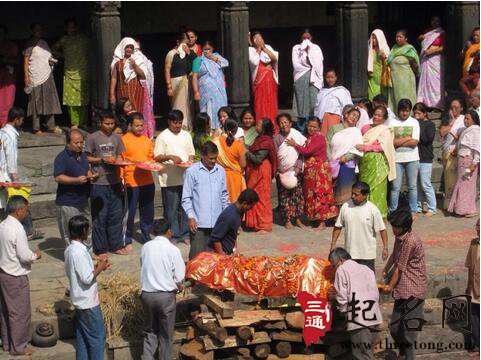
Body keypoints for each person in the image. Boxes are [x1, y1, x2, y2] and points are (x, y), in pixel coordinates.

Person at [382, 208, 427, 360]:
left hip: (414, 290)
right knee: (394, 328)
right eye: (393, 226)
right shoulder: (399, 237)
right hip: (402, 289)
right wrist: (384, 270)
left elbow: (400, 268)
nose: (393, 229)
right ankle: (402, 353)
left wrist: (390, 286)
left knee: (409, 334)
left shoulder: (410, 241)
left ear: (405, 226)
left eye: (396, 226)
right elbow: (394, 257)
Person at [0, 196, 41, 356]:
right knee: (20, 313)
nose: (27, 212)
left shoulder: (2, 225)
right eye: (26, 209)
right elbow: (24, 256)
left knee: (6, 311)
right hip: (15, 275)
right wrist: (36, 255)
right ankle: (19, 347)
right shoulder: (17, 229)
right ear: (19, 211)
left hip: (3, 273)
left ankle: (8, 343)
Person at [64, 215, 109, 360]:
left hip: (79, 300)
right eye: (87, 229)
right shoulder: (79, 252)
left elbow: (80, 273)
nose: (88, 232)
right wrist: (100, 267)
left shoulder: (70, 249)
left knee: (83, 337)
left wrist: (97, 267)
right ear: (83, 230)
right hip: (88, 302)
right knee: (98, 338)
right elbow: (87, 278)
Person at [140, 219, 185, 360]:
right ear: (169, 232)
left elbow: (143, 266)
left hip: (147, 295)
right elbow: (179, 277)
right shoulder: (173, 249)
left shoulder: (145, 247)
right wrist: (179, 284)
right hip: (165, 298)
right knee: (166, 335)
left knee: (150, 331)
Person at [329, 247, 382, 360]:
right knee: (368, 352)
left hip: (358, 318)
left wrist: (344, 312)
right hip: (374, 315)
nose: (335, 268)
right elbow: (376, 293)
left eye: (334, 265)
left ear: (340, 259)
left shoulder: (342, 269)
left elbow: (342, 295)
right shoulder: (366, 269)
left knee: (362, 355)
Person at [86, 111, 127, 257]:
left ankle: (116, 245)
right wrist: (101, 160)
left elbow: (120, 156)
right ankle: (101, 248)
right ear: (100, 123)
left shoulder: (117, 138)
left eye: (112, 124)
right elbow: (87, 158)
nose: (110, 126)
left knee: (116, 215)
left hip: (115, 181)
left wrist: (118, 161)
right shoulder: (92, 137)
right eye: (106, 123)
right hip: (99, 182)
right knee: (100, 217)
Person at [286, 117, 337, 230]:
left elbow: (307, 151)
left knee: (320, 194)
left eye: (314, 126)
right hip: (311, 172)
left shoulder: (319, 138)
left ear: (319, 128)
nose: (311, 128)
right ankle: (315, 219)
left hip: (319, 171)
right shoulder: (309, 137)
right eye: (310, 126)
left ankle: (322, 222)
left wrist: (295, 144)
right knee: (311, 195)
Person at [182, 141, 229, 259]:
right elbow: (186, 198)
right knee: (197, 257)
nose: (213, 161)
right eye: (211, 158)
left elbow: (224, 195)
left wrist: (228, 217)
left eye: (215, 158)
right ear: (202, 156)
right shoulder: (191, 171)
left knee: (216, 256)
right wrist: (191, 216)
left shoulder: (220, 171)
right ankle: (193, 277)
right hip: (199, 223)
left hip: (218, 222)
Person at [154, 110, 195, 243]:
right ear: (169, 122)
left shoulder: (186, 135)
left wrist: (189, 161)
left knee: (185, 208)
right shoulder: (162, 136)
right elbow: (157, 157)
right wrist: (171, 157)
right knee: (171, 209)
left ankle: (185, 234)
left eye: (179, 122)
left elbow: (191, 153)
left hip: (185, 177)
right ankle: (173, 234)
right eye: (174, 122)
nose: (177, 125)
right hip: (169, 179)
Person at [0, 107, 40, 240]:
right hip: (6, 176)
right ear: (17, 119)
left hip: (3, 174)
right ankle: (28, 232)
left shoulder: (2, 133)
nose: (22, 122)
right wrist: (15, 176)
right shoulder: (10, 136)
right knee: (19, 203)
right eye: (21, 119)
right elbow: (10, 156)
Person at [330, 182, 388, 273]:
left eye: (356, 194)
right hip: (349, 254)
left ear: (365, 195)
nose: (352, 196)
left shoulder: (373, 210)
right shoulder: (345, 207)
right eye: (352, 193)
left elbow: (382, 230)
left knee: (367, 281)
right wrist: (333, 244)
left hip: (367, 255)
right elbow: (338, 226)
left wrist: (385, 247)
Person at [54, 129, 93, 246]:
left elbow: (87, 170)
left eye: (82, 142)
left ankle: (87, 252)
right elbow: (58, 177)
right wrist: (76, 180)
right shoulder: (62, 157)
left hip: (83, 199)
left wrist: (90, 175)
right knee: (71, 232)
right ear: (68, 143)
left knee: (87, 227)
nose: (80, 145)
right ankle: (73, 256)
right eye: (76, 143)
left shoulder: (83, 155)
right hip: (68, 201)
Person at [121, 113, 156, 244]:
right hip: (131, 180)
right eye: (137, 125)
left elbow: (151, 157)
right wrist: (122, 178)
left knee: (148, 210)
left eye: (142, 125)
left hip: (147, 179)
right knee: (130, 211)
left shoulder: (147, 140)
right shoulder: (124, 139)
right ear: (130, 125)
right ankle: (127, 238)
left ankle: (146, 235)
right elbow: (121, 160)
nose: (140, 128)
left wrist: (152, 164)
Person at [357, 105, 396, 218]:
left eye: (379, 115)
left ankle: (378, 216)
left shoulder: (386, 130)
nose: (376, 117)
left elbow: (383, 147)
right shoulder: (365, 128)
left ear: (384, 118)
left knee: (378, 189)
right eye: (375, 114)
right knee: (365, 188)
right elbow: (358, 141)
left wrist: (367, 147)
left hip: (378, 164)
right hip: (365, 163)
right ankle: (364, 215)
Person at [23, 23, 62, 135]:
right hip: (35, 76)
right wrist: (26, 77)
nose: (39, 31)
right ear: (32, 31)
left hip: (47, 75)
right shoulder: (30, 44)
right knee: (36, 102)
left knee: (49, 101)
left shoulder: (44, 43)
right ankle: (36, 128)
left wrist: (51, 61)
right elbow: (26, 62)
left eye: (41, 29)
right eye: (37, 30)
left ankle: (51, 126)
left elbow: (46, 57)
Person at [52, 18, 90, 129]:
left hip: (82, 72)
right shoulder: (64, 40)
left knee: (83, 100)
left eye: (73, 27)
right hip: (69, 73)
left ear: (77, 27)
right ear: (66, 28)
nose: (71, 29)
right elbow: (53, 49)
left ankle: (83, 122)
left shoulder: (84, 39)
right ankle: (74, 123)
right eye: (69, 27)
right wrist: (62, 55)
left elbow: (93, 49)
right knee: (71, 101)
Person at [387, 99, 420, 214]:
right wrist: (407, 138)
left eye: (406, 111)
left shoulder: (414, 122)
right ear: (398, 110)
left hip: (412, 159)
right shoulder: (391, 122)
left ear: (410, 111)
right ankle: (393, 210)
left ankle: (413, 210)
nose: (404, 113)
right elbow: (391, 142)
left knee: (412, 186)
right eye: (402, 111)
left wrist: (398, 141)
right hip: (396, 160)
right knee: (395, 188)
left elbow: (414, 143)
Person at [274, 113, 306, 229]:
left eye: (285, 122)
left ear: (290, 123)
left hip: (296, 170)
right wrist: (280, 169)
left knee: (298, 196)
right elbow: (275, 156)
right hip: (282, 172)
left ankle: (297, 219)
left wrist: (297, 168)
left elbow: (302, 151)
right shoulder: (276, 139)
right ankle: (287, 220)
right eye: (281, 123)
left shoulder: (296, 135)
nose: (284, 125)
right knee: (284, 198)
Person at [245, 119, 277, 233]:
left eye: (258, 125)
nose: (256, 126)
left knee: (262, 198)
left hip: (262, 171)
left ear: (264, 128)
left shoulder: (266, 141)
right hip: (256, 171)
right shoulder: (259, 138)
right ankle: (255, 223)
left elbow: (258, 159)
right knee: (254, 196)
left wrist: (246, 152)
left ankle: (264, 225)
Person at [328, 107, 363, 206]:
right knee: (332, 190)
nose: (354, 118)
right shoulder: (334, 128)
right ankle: (334, 215)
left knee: (347, 190)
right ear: (346, 115)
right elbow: (327, 144)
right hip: (332, 164)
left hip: (347, 164)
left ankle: (346, 214)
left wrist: (347, 157)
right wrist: (330, 159)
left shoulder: (356, 131)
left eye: (357, 117)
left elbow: (357, 148)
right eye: (353, 114)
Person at [448, 110, 480, 217]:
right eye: (465, 118)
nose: (465, 120)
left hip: (469, 161)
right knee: (462, 185)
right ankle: (461, 209)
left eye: (468, 118)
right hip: (462, 160)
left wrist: (474, 163)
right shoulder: (466, 130)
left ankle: (469, 210)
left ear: (474, 120)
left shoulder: (475, 131)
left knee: (467, 185)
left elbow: (477, 148)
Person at [192, 40, 229, 131]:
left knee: (220, 109)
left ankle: (220, 129)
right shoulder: (198, 60)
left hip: (219, 91)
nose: (207, 51)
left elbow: (226, 64)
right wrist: (196, 92)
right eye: (205, 49)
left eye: (209, 49)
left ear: (212, 49)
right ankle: (207, 130)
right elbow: (194, 77)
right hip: (205, 92)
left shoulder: (217, 57)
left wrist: (213, 58)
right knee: (207, 110)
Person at [210, 189, 259, 255]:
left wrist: (234, 249)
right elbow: (215, 238)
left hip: (229, 252)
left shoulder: (240, 212)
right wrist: (222, 256)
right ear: (244, 203)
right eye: (250, 207)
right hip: (221, 253)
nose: (251, 209)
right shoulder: (229, 215)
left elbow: (233, 233)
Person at [165, 33, 197, 131]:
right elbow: (167, 70)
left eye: (186, 42)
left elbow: (197, 63)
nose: (185, 45)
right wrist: (169, 87)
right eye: (183, 42)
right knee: (177, 106)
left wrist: (189, 53)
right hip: (175, 83)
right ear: (178, 42)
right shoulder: (172, 54)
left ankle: (187, 128)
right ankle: (176, 126)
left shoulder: (190, 53)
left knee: (188, 106)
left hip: (186, 82)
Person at [292, 28, 324, 124]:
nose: (306, 39)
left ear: (311, 38)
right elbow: (296, 65)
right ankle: (301, 126)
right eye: (304, 37)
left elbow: (318, 64)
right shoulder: (296, 48)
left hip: (314, 78)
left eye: (308, 37)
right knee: (301, 104)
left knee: (314, 102)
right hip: (301, 77)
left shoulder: (316, 48)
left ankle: (314, 125)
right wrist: (307, 64)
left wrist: (309, 51)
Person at [249, 31, 279, 132]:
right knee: (260, 104)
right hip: (260, 81)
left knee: (271, 102)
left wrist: (264, 48)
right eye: (256, 38)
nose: (259, 40)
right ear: (253, 41)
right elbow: (254, 61)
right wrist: (258, 49)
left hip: (270, 80)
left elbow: (274, 58)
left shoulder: (268, 47)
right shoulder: (251, 50)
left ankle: (272, 127)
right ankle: (261, 128)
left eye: (260, 37)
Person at [439, 98, 466, 209]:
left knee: (459, 181)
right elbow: (442, 132)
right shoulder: (447, 119)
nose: (453, 109)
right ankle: (449, 205)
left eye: (456, 107)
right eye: (452, 107)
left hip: (459, 153)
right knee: (449, 181)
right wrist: (452, 121)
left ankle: (459, 205)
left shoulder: (464, 119)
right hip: (447, 153)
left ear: (461, 108)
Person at [212, 119, 247, 203]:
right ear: (235, 131)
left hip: (218, 176)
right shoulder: (238, 145)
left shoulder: (214, 142)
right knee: (235, 204)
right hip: (235, 179)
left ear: (223, 128)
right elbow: (243, 164)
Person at [110, 37, 146, 115]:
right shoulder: (117, 62)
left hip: (136, 91)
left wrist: (135, 66)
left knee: (136, 114)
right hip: (122, 91)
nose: (129, 49)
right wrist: (112, 94)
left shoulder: (138, 59)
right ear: (123, 47)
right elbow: (114, 78)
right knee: (123, 113)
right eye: (127, 47)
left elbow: (143, 76)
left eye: (131, 47)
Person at [413, 103, 437, 217]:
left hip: (425, 158)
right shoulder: (414, 123)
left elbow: (428, 138)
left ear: (424, 113)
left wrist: (418, 126)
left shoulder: (430, 125)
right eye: (415, 113)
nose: (416, 115)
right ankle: (417, 206)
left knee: (425, 183)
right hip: (414, 157)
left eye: (418, 113)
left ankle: (432, 207)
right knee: (416, 184)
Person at [387, 30, 419, 113]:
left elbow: (415, 65)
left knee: (405, 97)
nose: (397, 39)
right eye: (396, 37)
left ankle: (408, 114)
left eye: (400, 37)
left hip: (406, 80)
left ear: (406, 38)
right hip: (394, 78)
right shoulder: (394, 48)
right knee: (395, 97)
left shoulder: (409, 49)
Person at [314, 69, 353, 136]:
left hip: (334, 119)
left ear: (336, 78)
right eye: (328, 77)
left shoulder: (341, 90)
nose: (330, 80)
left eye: (332, 77)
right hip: (321, 121)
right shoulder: (322, 91)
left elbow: (347, 107)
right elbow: (317, 107)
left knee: (332, 138)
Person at [417, 16, 445, 109]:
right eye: (433, 20)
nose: (435, 22)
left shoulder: (441, 33)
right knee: (425, 81)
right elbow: (422, 44)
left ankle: (436, 104)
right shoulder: (427, 32)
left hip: (435, 60)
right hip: (426, 59)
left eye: (437, 21)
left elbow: (443, 47)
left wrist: (431, 51)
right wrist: (421, 38)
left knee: (436, 82)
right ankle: (425, 103)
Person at [134, 40, 156, 139]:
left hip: (143, 87)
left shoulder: (143, 58)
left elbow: (144, 74)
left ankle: (146, 133)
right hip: (136, 87)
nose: (137, 51)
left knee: (145, 111)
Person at [465, 219, 480, 351]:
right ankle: (477, 344)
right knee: (474, 316)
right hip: (474, 287)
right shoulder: (474, 243)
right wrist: (469, 285)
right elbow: (470, 265)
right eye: (477, 226)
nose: (478, 229)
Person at [0, 25, 18, 127]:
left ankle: (4, 123)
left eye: (2, 32)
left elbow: (17, 60)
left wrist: (5, 60)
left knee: (7, 99)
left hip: (7, 74)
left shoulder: (11, 45)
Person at [367, 29, 390, 101]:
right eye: (372, 38)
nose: (373, 40)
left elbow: (389, 64)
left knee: (382, 95)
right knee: (372, 95)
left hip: (382, 76)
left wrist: (383, 57)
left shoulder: (385, 49)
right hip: (372, 77)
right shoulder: (369, 49)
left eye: (375, 38)